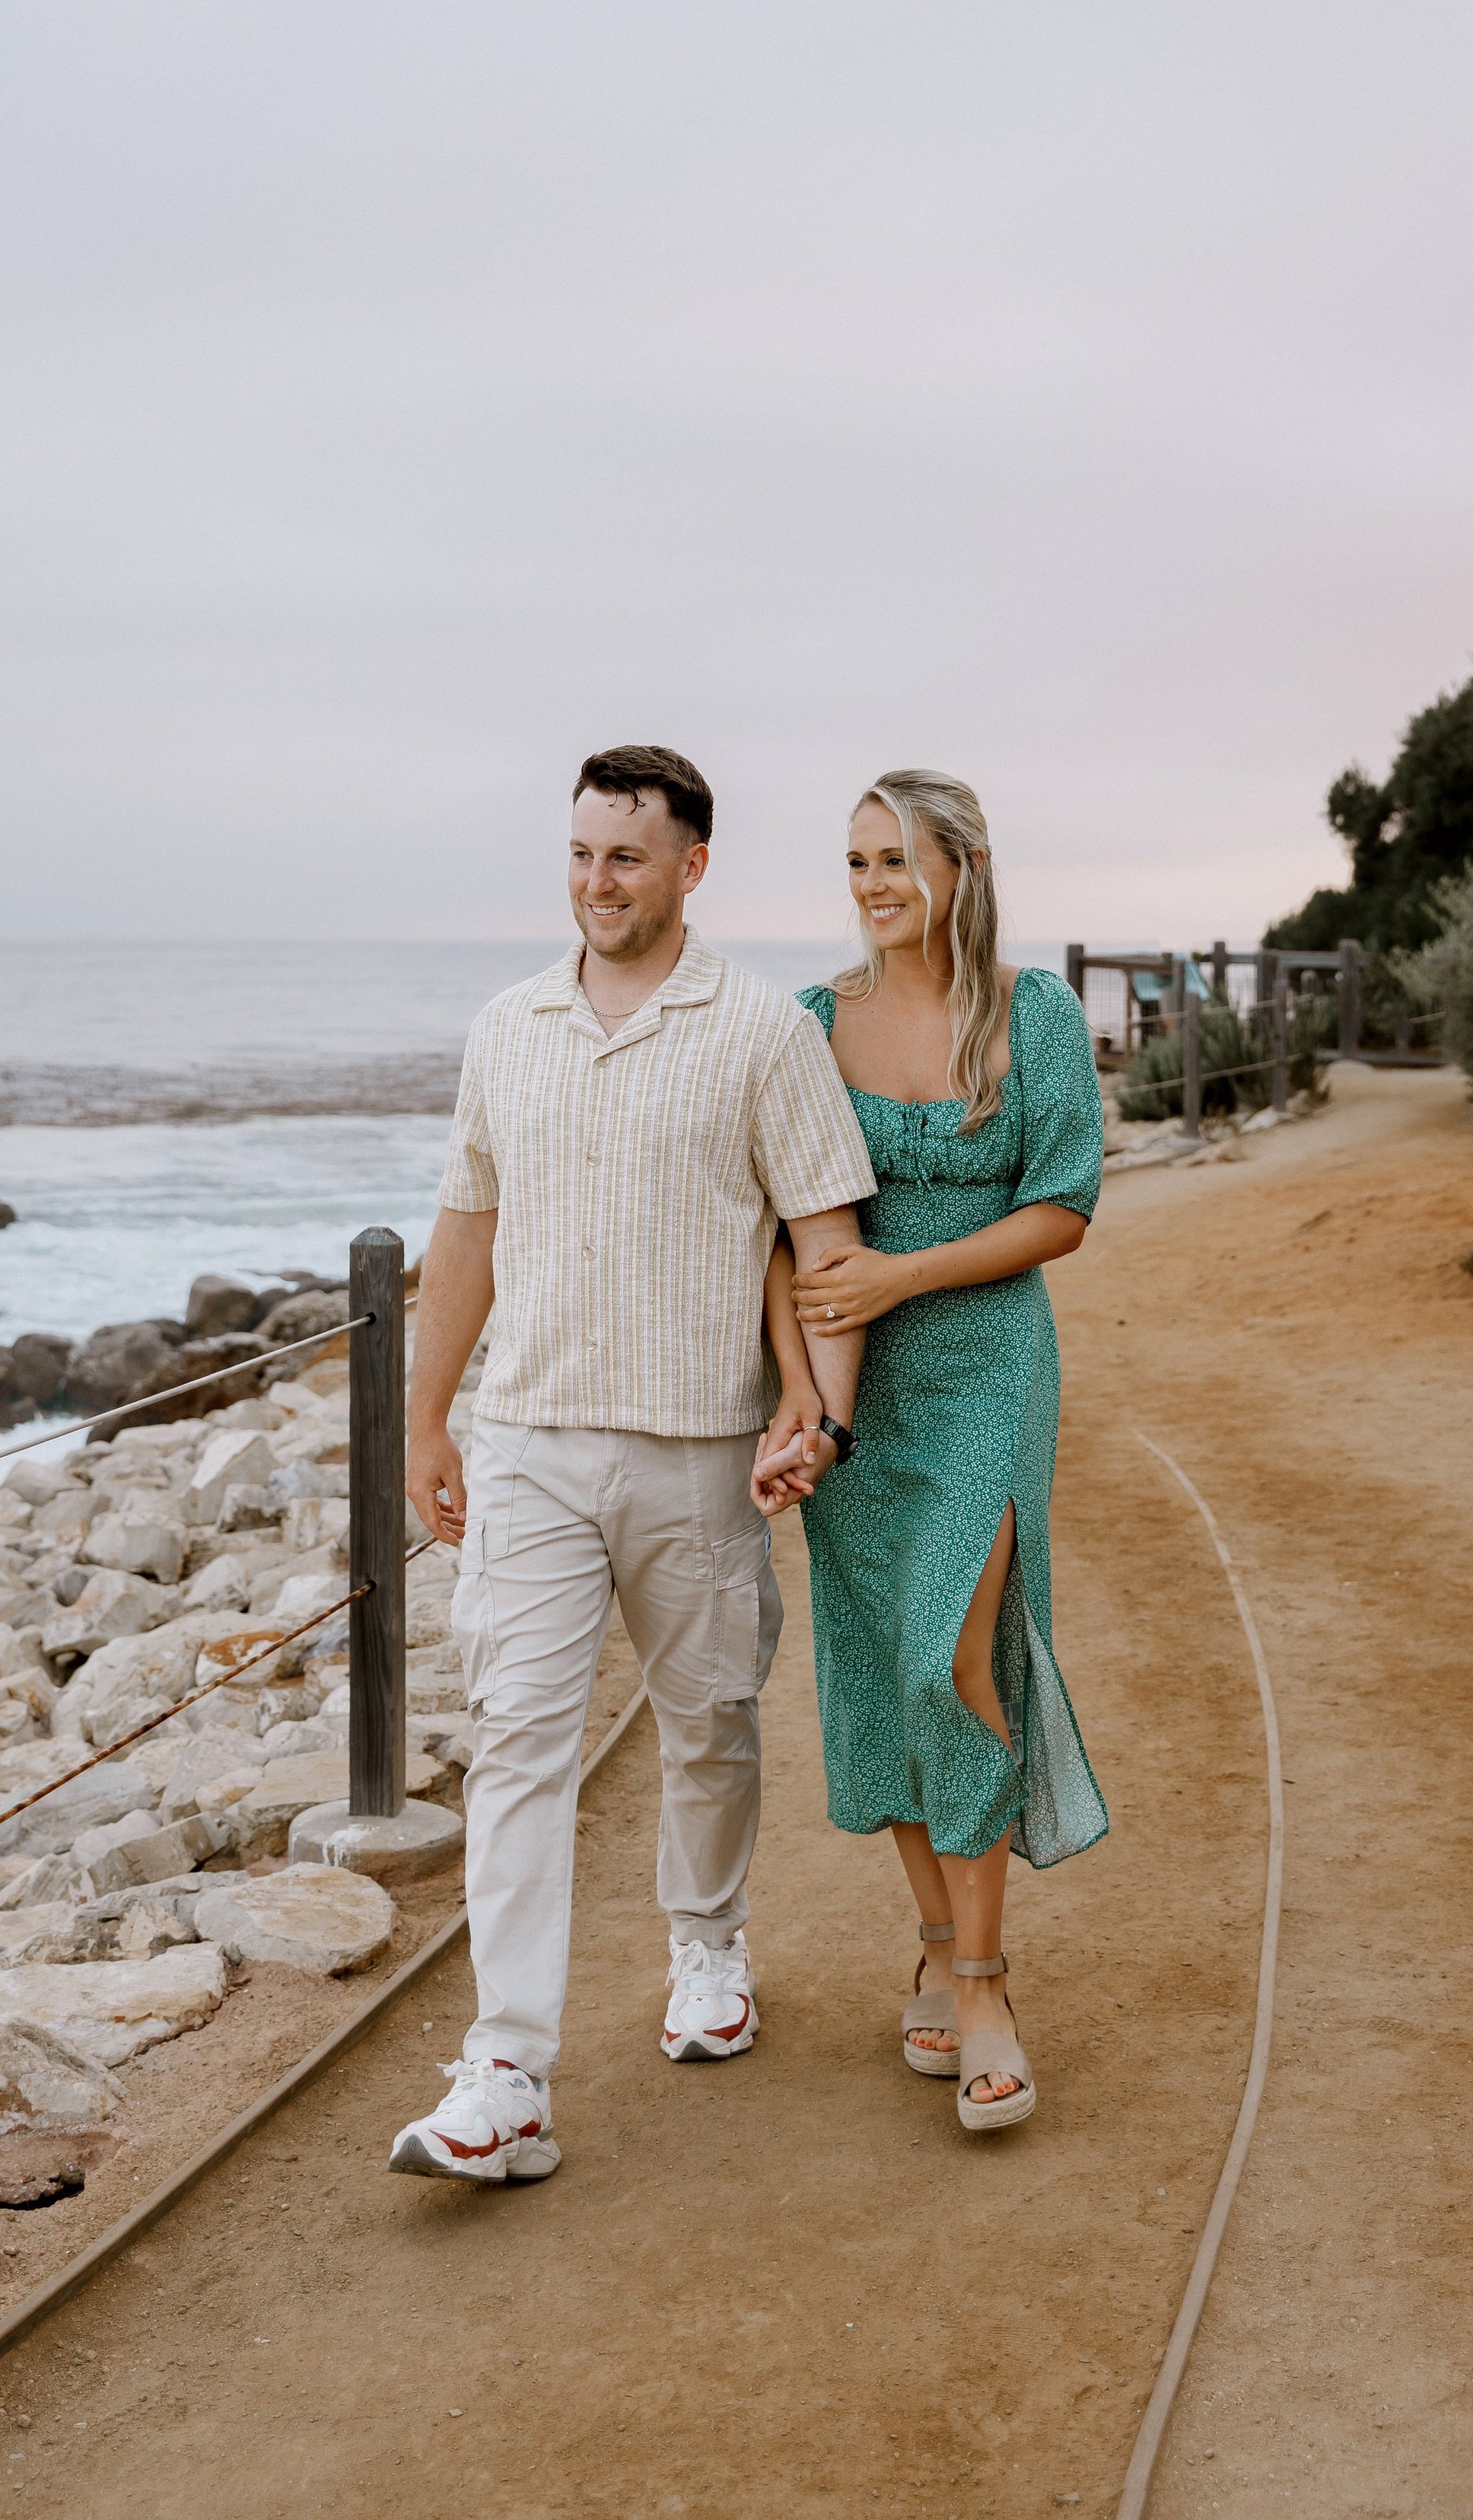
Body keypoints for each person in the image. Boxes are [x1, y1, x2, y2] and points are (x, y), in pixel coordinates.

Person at [390, 743, 876, 2184]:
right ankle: (507, 2071)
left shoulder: (764, 1032)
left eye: (625, 857)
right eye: (581, 854)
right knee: (518, 1742)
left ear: (690, 868)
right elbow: (466, 1232)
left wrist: (819, 1417)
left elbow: (825, 1242)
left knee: (710, 1720)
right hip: (530, 1445)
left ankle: (709, 1945)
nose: (597, 883)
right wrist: (426, 1418)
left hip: (703, 1451)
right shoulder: (509, 1025)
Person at [754, 768, 1108, 2134]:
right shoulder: (809, 1022)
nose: (874, 886)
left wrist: (906, 1275)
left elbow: (1063, 1206)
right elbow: (780, 1229)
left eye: (897, 858)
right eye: (857, 862)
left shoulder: (1037, 1013)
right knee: (880, 1657)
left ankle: (986, 1984)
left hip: (987, 1367)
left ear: (964, 866)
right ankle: (938, 1946)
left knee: (956, 1654)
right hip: (855, 1381)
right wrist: (802, 1396)